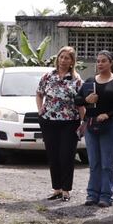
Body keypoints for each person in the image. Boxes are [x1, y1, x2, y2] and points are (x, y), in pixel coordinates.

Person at [75, 51, 113, 207]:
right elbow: (77, 99)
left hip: (110, 126)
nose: (100, 64)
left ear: (111, 62)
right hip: (91, 126)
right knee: (94, 162)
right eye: (98, 61)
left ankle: (106, 195)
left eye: (103, 61)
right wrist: (86, 99)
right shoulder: (90, 81)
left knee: (107, 163)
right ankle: (92, 194)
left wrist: (108, 114)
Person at [36, 46, 84, 202]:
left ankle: (66, 190)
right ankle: (56, 188)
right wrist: (40, 110)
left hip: (69, 122)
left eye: (67, 58)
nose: (63, 60)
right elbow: (39, 93)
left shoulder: (76, 80)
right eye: (61, 57)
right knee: (53, 155)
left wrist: (83, 122)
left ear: (72, 62)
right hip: (49, 121)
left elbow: (81, 103)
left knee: (66, 155)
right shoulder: (48, 76)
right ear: (58, 59)